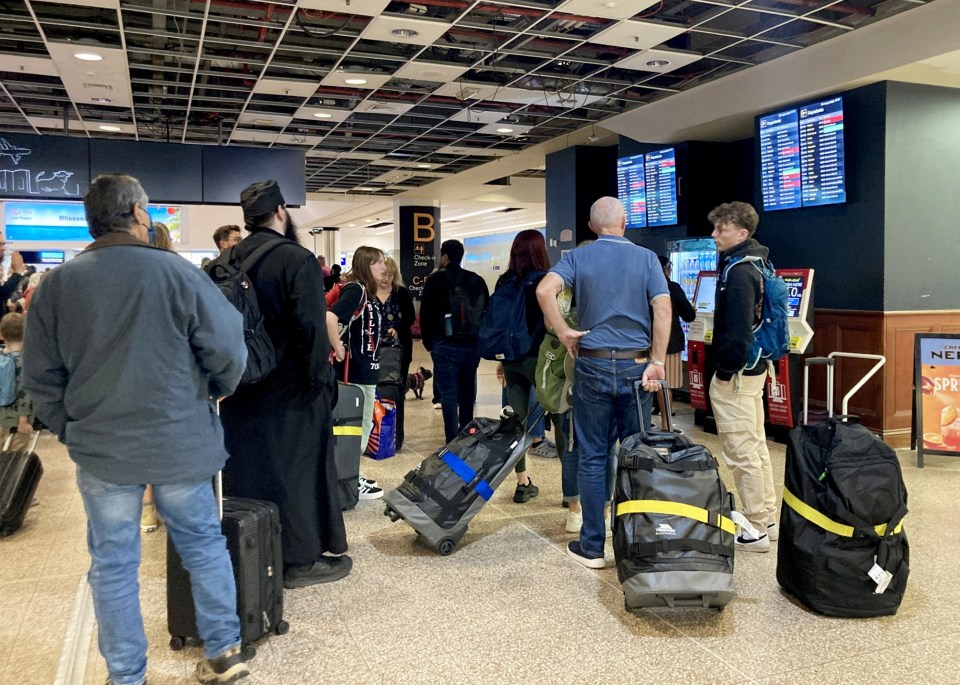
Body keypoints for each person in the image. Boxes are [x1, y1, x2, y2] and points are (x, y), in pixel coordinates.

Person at [22, 173, 251, 685]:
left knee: (113, 563)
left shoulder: (58, 284)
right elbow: (229, 348)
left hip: (103, 446)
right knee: (203, 544)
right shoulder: (177, 274)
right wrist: (213, 391)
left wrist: (71, 427)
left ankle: (127, 676)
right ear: (140, 214)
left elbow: (39, 374)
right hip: (180, 439)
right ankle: (224, 651)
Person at [219, 179, 350, 588]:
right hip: (291, 388)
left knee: (249, 469)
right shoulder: (295, 259)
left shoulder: (226, 261)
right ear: (280, 213)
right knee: (297, 471)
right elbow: (311, 327)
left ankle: (252, 549)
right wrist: (320, 382)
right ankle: (298, 560)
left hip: (240, 388)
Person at [537, 196, 670, 569]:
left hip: (591, 365)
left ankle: (592, 547)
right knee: (635, 456)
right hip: (636, 367)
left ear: (594, 227)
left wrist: (564, 332)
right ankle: (634, 546)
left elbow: (544, 290)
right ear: (624, 222)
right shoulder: (646, 259)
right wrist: (657, 362)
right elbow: (662, 309)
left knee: (593, 456)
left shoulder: (579, 258)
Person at [707, 201, 777, 552]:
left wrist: (723, 371)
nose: (714, 234)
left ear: (742, 233)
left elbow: (736, 332)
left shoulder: (738, 272)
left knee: (740, 450)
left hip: (736, 374)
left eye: (722, 229)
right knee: (755, 443)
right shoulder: (759, 264)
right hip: (756, 370)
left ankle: (756, 530)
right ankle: (767, 516)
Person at [491, 229, 565, 505]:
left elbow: (500, 325)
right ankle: (570, 492)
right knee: (559, 418)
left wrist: (501, 362)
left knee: (519, 423)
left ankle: (522, 483)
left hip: (512, 360)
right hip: (543, 360)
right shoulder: (547, 281)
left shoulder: (504, 281)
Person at [326, 246, 387, 500]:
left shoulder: (368, 293)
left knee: (360, 426)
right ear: (365, 265)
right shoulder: (357, 289)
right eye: (377, 263)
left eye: (384, 262)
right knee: (356, 429)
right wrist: (338, 348)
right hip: (354, 374)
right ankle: (349, 479)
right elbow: (330, 317)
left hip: (365, 371)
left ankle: (350, 475)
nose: (383, 267)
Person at [420, 239, 490, 443]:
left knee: (448, 394)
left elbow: (425, 314)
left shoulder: (435, 280)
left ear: (444, 256)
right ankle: (467, 432)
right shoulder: (476, 280)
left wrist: (429, 344)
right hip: (471, 344)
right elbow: (486, 312)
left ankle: (451, 438)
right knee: (468, 391)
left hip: (444, 344)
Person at [375, 257, 415, 449]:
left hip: (398, 352)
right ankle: (376, 433)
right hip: (374, 350)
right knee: (375, 392)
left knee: (397, 392)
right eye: (384, 275)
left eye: (391, 275)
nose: (387, 279)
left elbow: (409, 317)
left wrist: (398, 328)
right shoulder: (368, 293)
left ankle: (396, 437)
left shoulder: (401, 293)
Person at [655, 255, 696, 429]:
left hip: (645, 341)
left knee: (648, 383)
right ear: (665, 268)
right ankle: (666, 425)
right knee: (667, 384)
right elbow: (689, 315)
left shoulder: (642, 286)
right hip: (670, 342)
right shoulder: (672, 287)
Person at [0, 313, 35, 452]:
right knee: (16, 456)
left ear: (1, 335)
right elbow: (25, 394)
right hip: (17, 418)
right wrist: (23, 420)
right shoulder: (26, 362)